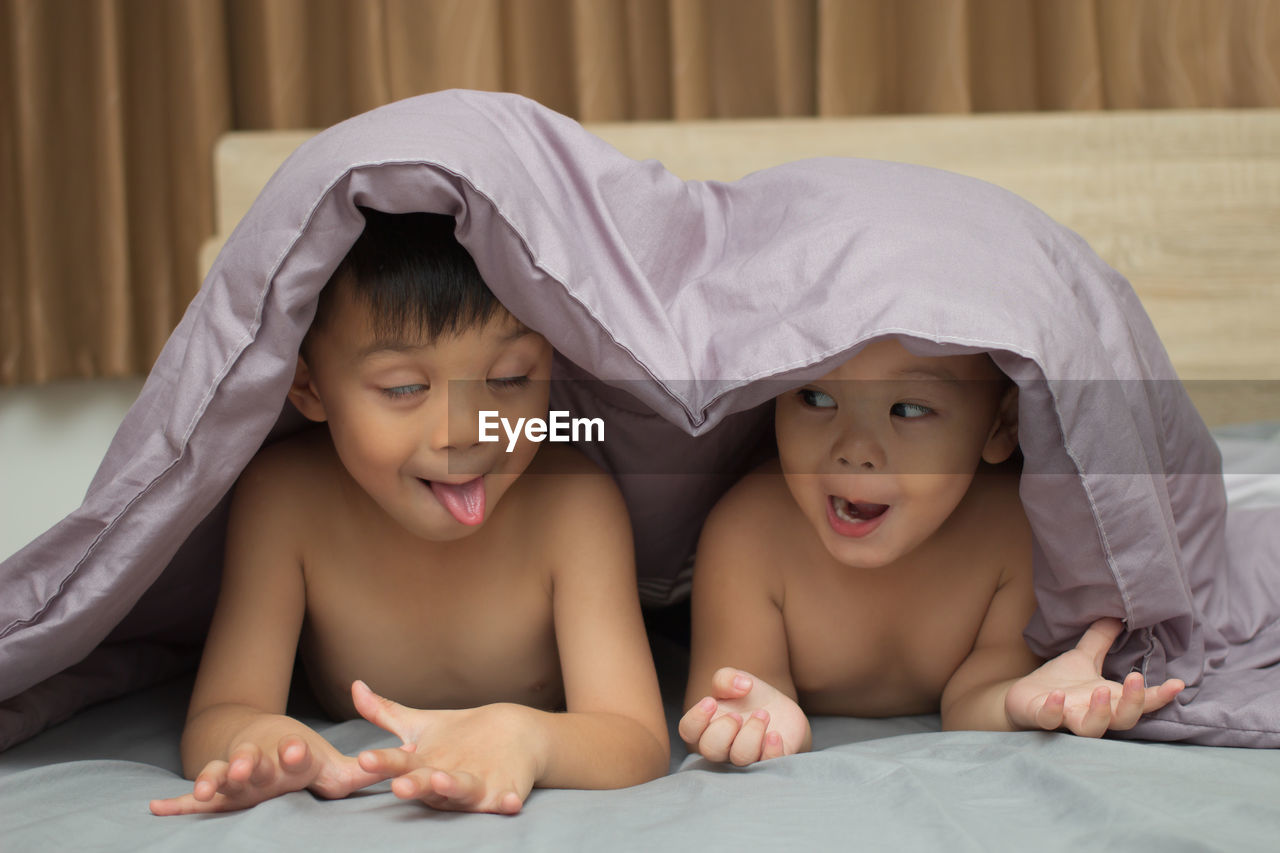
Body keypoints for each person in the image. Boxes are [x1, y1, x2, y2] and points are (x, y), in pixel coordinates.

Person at [150, 209, 668, 815]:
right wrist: (263, 741)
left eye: (508, 379)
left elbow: (636, 739)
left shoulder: (574, 505)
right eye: (403, 389)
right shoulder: (284, 500)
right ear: (309, 389)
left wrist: (529, 738)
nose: (465, 431)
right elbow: (220, 712)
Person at [678, 338, 1185, 766]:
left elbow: (972, 701)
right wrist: (763, 721)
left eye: (910, 409)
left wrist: (1020, 702)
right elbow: (736, 691)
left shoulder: (1013, 531)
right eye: (813, 398)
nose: (855, 449)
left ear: (1000, 426)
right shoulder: (748, 532)